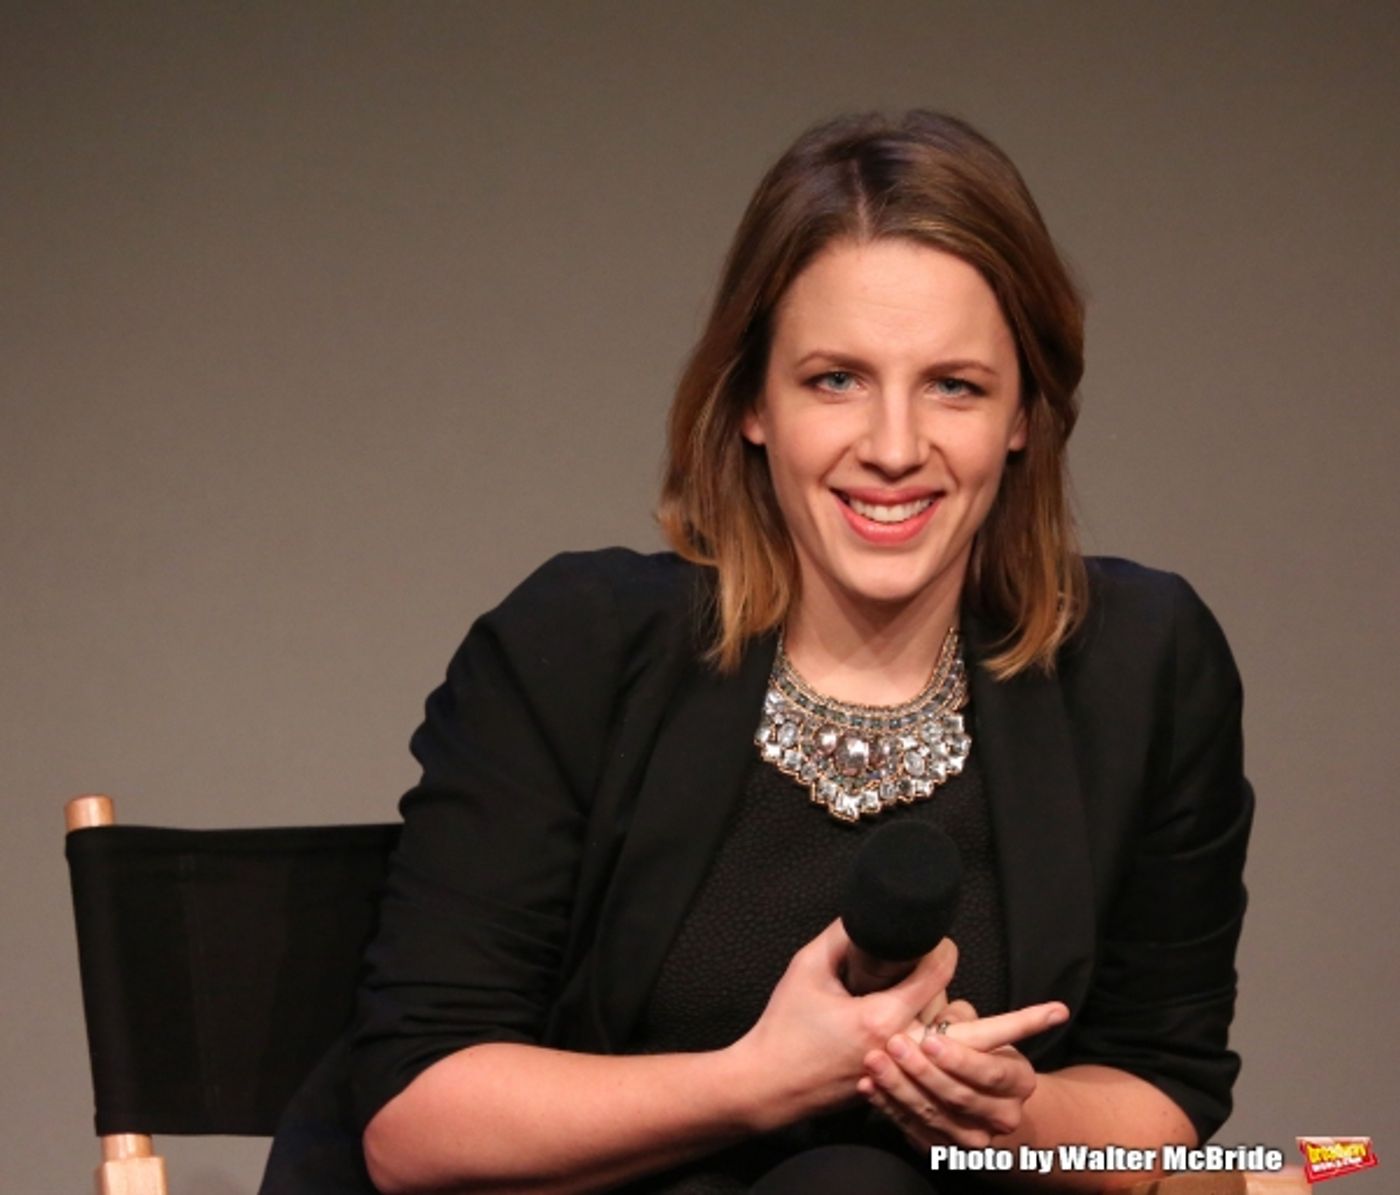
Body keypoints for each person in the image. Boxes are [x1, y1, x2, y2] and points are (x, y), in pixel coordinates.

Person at [261, 110, 1252, 1194]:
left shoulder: (1144, 668)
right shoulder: (575, 644)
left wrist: (1015, 1112)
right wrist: (755, 1079)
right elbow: (418, 1120)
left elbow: (1158, 1104)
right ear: (749, 403)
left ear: (1023, 413)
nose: (889, 447)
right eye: (834, 378)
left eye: (952, 385)